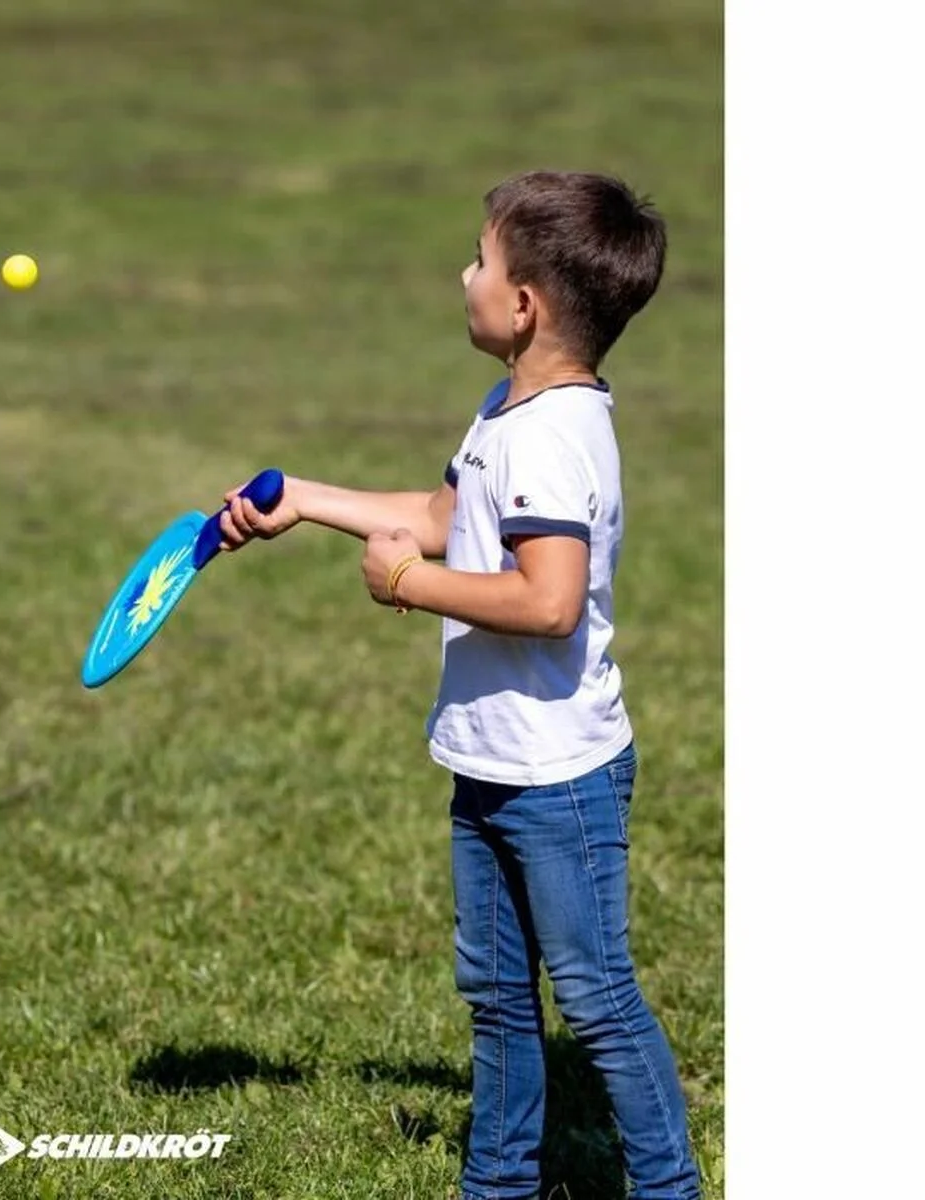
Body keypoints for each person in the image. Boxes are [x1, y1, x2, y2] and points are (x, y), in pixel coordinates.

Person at [218, 170, 701, 1200]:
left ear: (522, 306)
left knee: (596, 997)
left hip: (557, 778)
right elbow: (442, 518)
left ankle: (669, 1186)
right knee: (495, 992)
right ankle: (498, 1185)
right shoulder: (510, 410)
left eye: (479, 261)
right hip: (491, 762)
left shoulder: (552, 437)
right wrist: (303, 499)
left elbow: (550, 600)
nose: (463, 274)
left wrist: (410, 585)